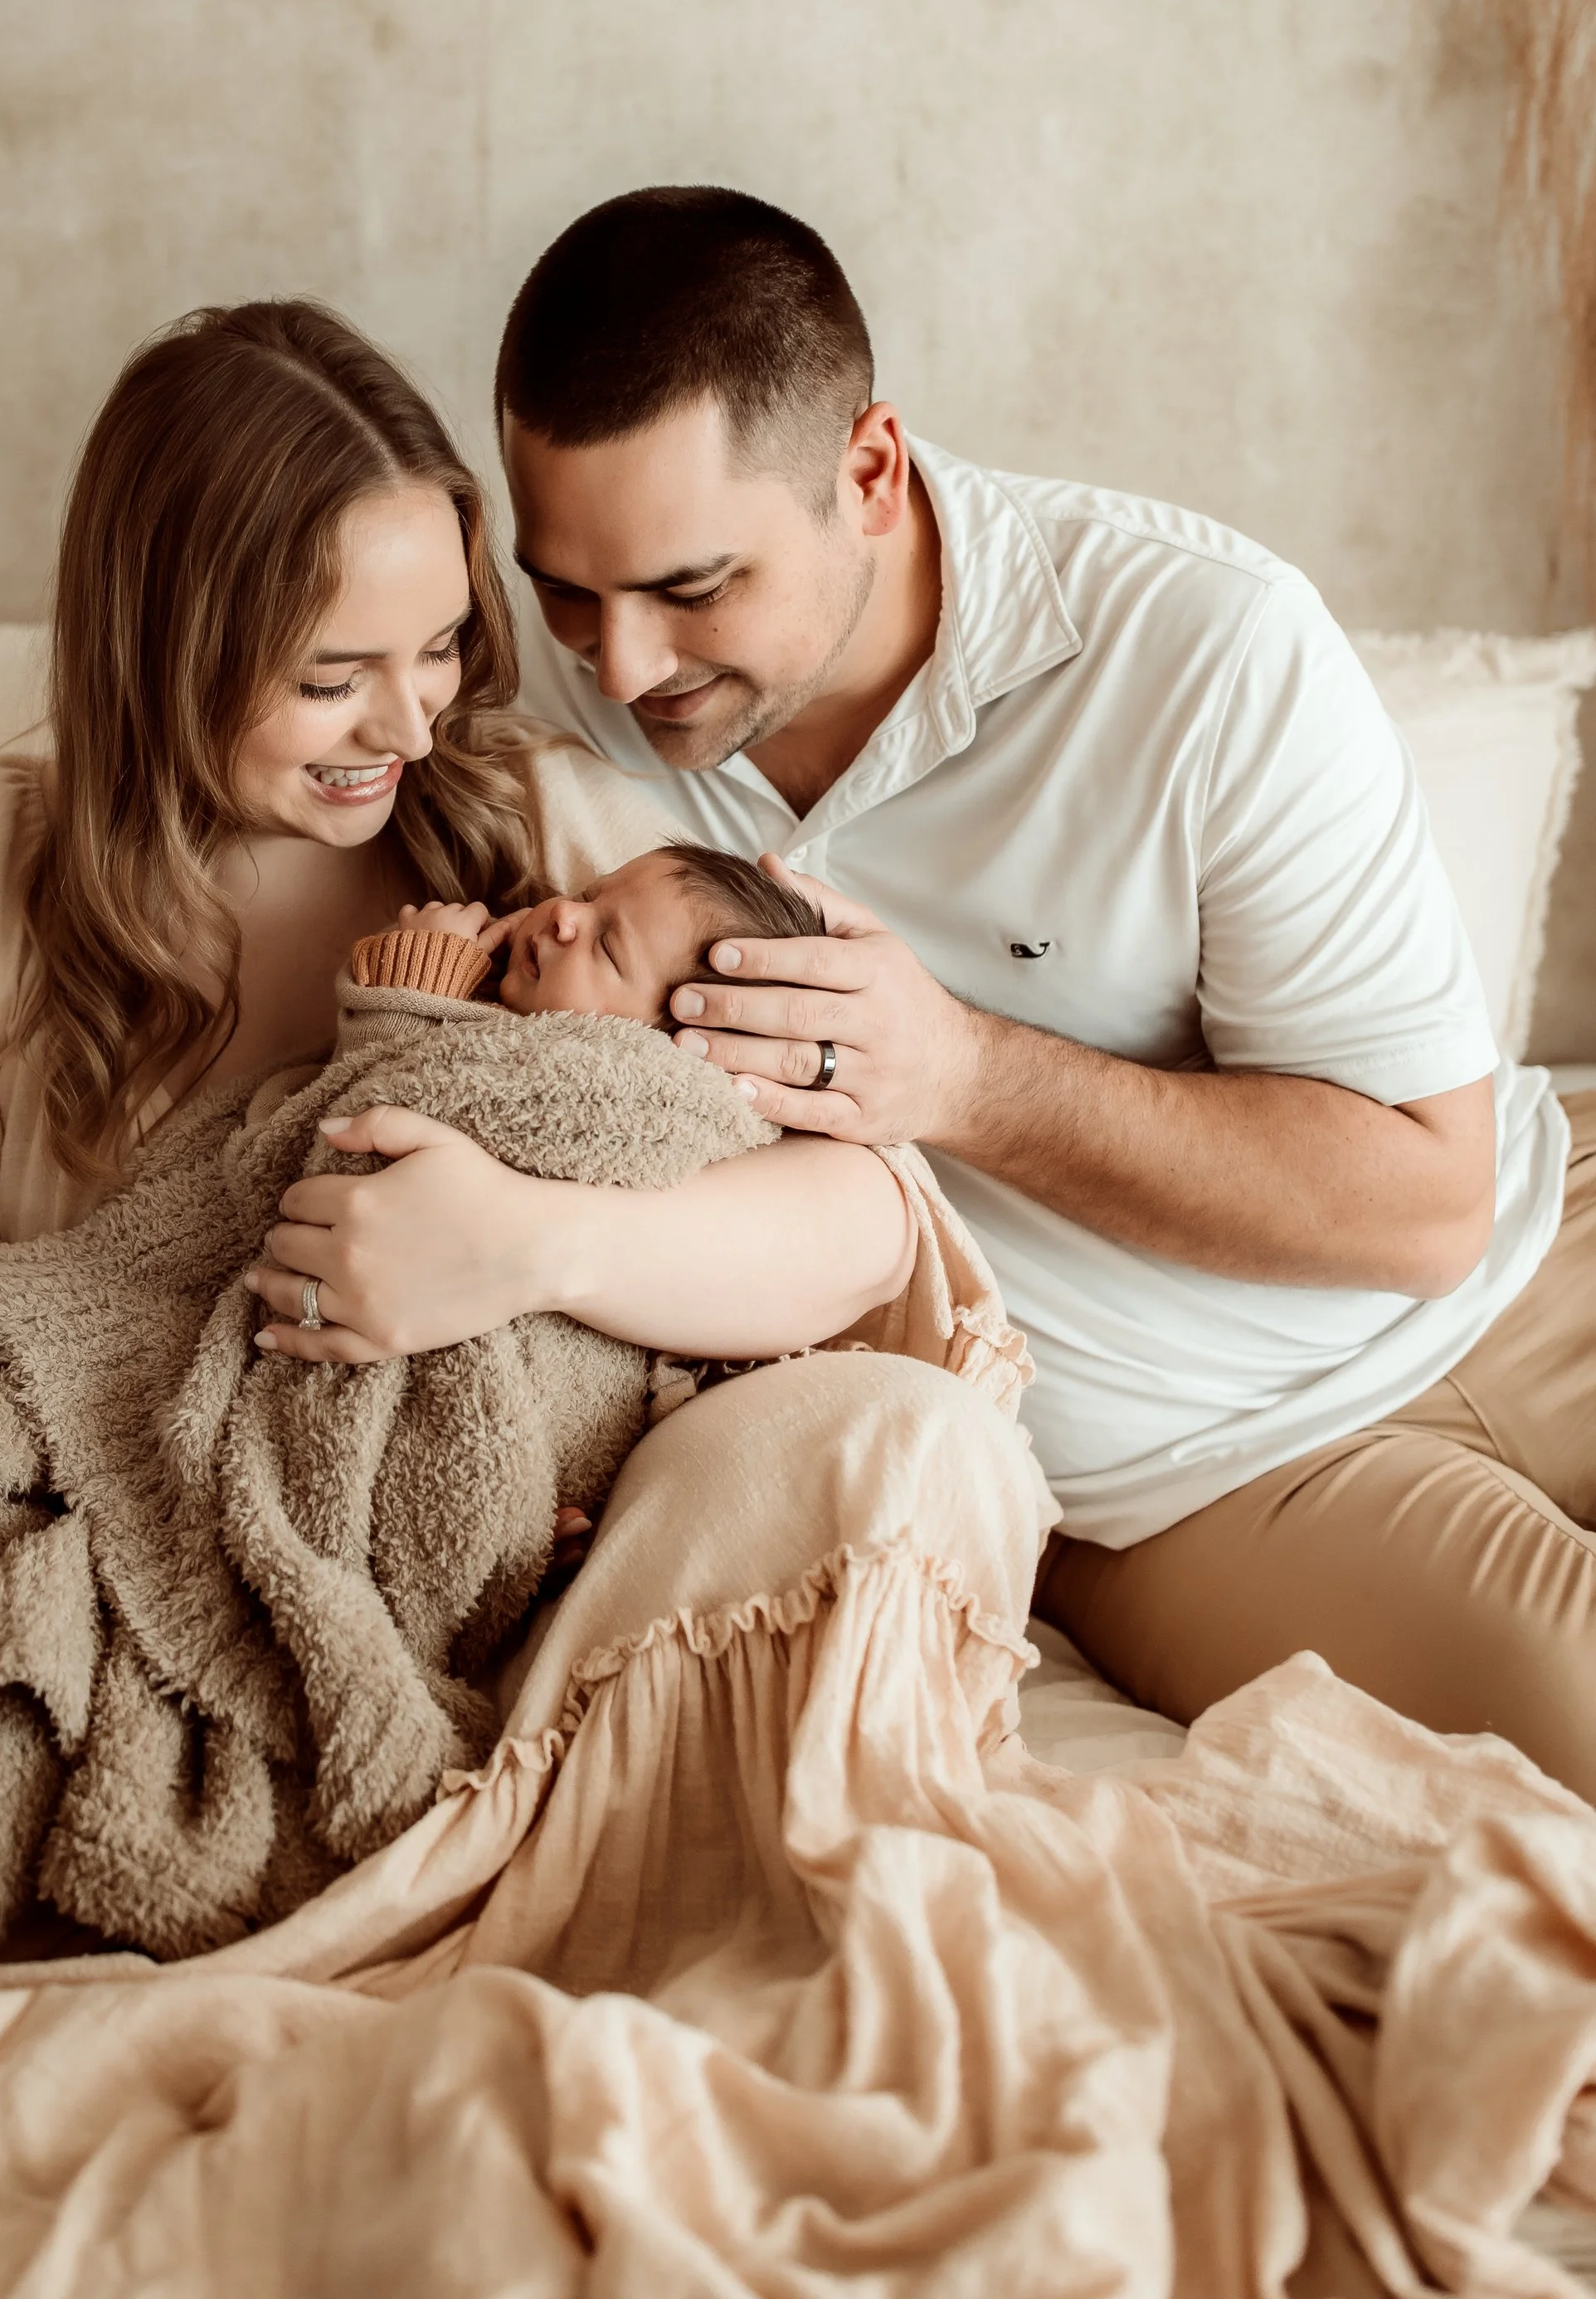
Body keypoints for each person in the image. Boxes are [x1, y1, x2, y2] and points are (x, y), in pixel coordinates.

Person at [279, 183, 1594, 1800]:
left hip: (1538, 1245)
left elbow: (1433, 1205)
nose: (621, 665)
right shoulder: (518, 720)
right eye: (566, 591)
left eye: (694, 588)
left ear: (870, 472)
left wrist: (962, 1075)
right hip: (1203, 1477)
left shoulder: (1201, 648)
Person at [0, 297, 917, 1388]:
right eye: (330, 680)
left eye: (440, 647)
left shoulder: (530, 809)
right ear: (162, 658)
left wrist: (534, 1245)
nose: (414, 729)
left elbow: (868, 1215)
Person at [354, 842, 826, 1025]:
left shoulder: (586, 1090)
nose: (564, 913)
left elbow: (379, 1092)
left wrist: (417, 981)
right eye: (586, 894)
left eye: (606, 946)